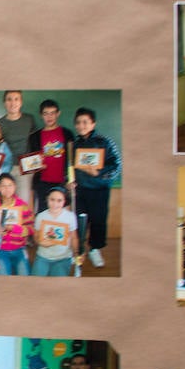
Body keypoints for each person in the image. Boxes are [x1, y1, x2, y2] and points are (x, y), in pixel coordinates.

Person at [71, 107, 121, 268]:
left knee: (98, 221)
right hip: (80, 191)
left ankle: (94, 249)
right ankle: (79, 251)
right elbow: (70, 167)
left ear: (93, 124)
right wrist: (70, 181)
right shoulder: (75, 144)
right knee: (78, 222)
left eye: (85, 122)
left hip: (99, 190)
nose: (81, 125)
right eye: (78, 122)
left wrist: (98, 173)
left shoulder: (104, 141)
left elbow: (117, 166)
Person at [0, 173, 31, 276]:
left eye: (10, 185)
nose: (7, 189)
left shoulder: (23, 206)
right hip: (1, 250)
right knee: (3, 280)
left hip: (19, 249)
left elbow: (30, 228)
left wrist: (16, 229)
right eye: (3, 186)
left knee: (25, 279)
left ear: (15, 187)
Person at [32, 187, 77, 276]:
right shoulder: (41, 216)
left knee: (58, 285)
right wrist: (40, 242)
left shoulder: (70, 216)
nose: (55, 204)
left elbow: (74, 237)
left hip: (63, 257)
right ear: (47, 199)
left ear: (64, 201)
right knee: (35, 282)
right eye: (52, 199)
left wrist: (76, 253)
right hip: (43, 256)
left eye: (59, 200)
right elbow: (36, 236)